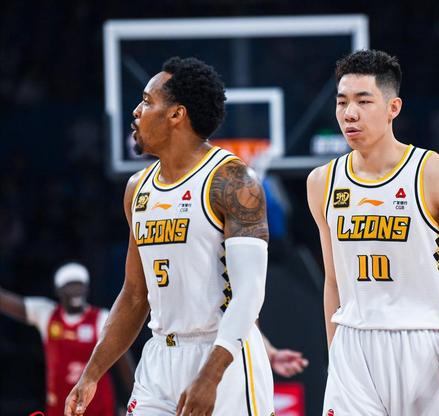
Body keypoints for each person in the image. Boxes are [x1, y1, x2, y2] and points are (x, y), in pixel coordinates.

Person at [64, 56, 274, 416]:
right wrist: (92, 373)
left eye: (147, 101)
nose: (136, 111)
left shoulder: (233, 181)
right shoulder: (137, 189)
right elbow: (134, 295)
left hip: (225, 356)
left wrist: (211, 376)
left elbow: (250, 293)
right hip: (160, 357)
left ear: (177, 114)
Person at [307, 50, 439, 416]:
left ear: (393, 107)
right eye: (342, 102)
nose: (349, 113)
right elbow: (333, 281)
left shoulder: (437, 173)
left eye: (363, 101)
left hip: (423, 345)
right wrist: (336, 356)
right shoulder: (322, 181)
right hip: (353, 345)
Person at [0, 262, 135, 416]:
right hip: (59, 408)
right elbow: (10, 303)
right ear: (58, 290)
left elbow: (124, 365)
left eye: (80, 285)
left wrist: (135, 401)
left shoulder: (102, 318)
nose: (76, 290)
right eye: (70, 286)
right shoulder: (47, 314)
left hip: (98, 408)